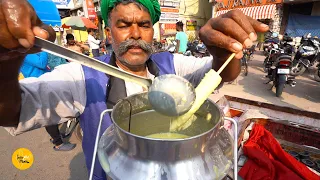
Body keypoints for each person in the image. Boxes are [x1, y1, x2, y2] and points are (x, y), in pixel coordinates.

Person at [0, 0, 269, 179]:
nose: (135, 34)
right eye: (123, 25)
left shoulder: (171, 64)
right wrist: (8, 61)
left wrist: (224, 53)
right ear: (108, 32)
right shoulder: (82, 75)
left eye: (143, 24)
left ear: (153, 30)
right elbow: (12, 112)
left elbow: (220, 74)